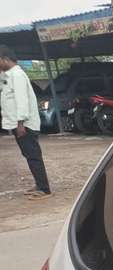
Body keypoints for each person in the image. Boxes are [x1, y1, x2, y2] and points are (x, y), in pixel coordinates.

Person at [0, 45, 51, 199]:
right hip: (19, 124)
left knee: (33, 155)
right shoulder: (9, 75)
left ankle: (44, 189)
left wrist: (20, 124)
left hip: (24, 125)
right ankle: (39, 184)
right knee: (29, 154)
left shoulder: (18, 75)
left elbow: (22, 101)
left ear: (5, 59)